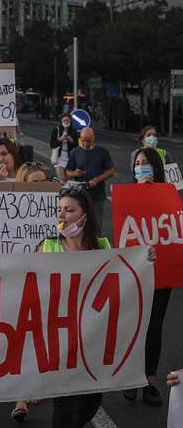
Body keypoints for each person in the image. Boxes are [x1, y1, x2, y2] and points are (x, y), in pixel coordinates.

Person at [35, 186, 153, 427]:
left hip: (93, 345)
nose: (61, 215)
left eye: (69, 210)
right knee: (65, 408)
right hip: (61, 344)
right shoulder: (46, 246)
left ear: (85, 214)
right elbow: (14, 279)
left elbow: (122, 280)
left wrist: (146, 259)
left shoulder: (103, 247)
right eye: (59, 210)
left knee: (90, 403)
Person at [124, 147, 170, 407]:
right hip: (134, 270)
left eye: (146, 163)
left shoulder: (170, 195)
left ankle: (150, 379)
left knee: (154, 326)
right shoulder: (126, 195)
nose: (141, 167)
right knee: (134, 324)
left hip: (162, 271)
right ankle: (130, 379)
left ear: (156, 168)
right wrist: (140, 192)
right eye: (137, 163)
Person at [64, 128, 115, 224]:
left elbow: (111, 171)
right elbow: (67, 172)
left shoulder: (102, 152)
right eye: (83, 141)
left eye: (88, 141)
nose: (86, 144)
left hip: (97, 194)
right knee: (80, 224)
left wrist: (97, 179)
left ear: (93, 138)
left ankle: (96, 239)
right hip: (80, 195)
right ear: (80, 139)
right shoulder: (75, 152)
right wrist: (75, 173)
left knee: (96, 223)